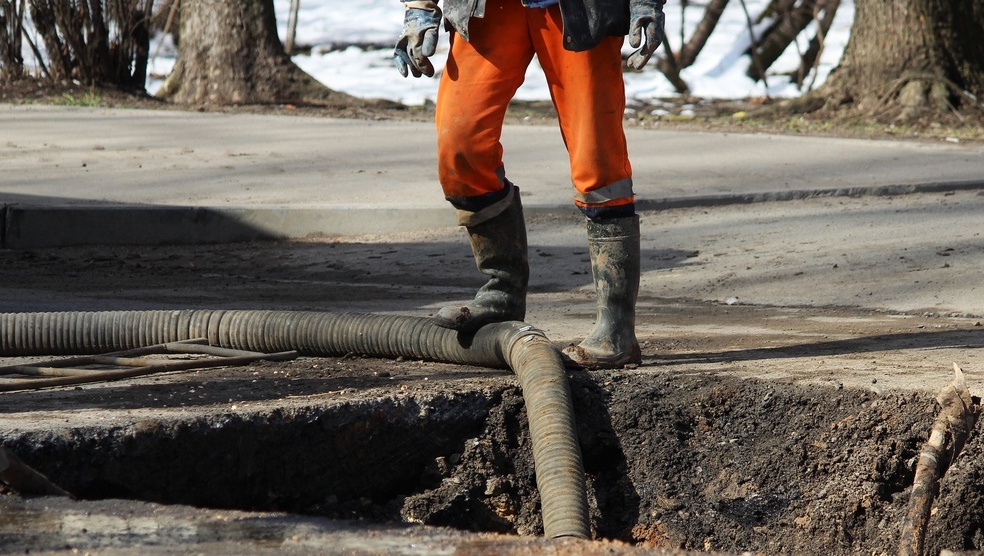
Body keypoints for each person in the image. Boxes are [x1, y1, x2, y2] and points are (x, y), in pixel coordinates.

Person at [393, 0, 664, 369]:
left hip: (578, 10)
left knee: (597, 158)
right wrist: (419, 8)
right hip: (489, 9)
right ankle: (502, 292)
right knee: (461, 145)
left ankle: (616, 328)